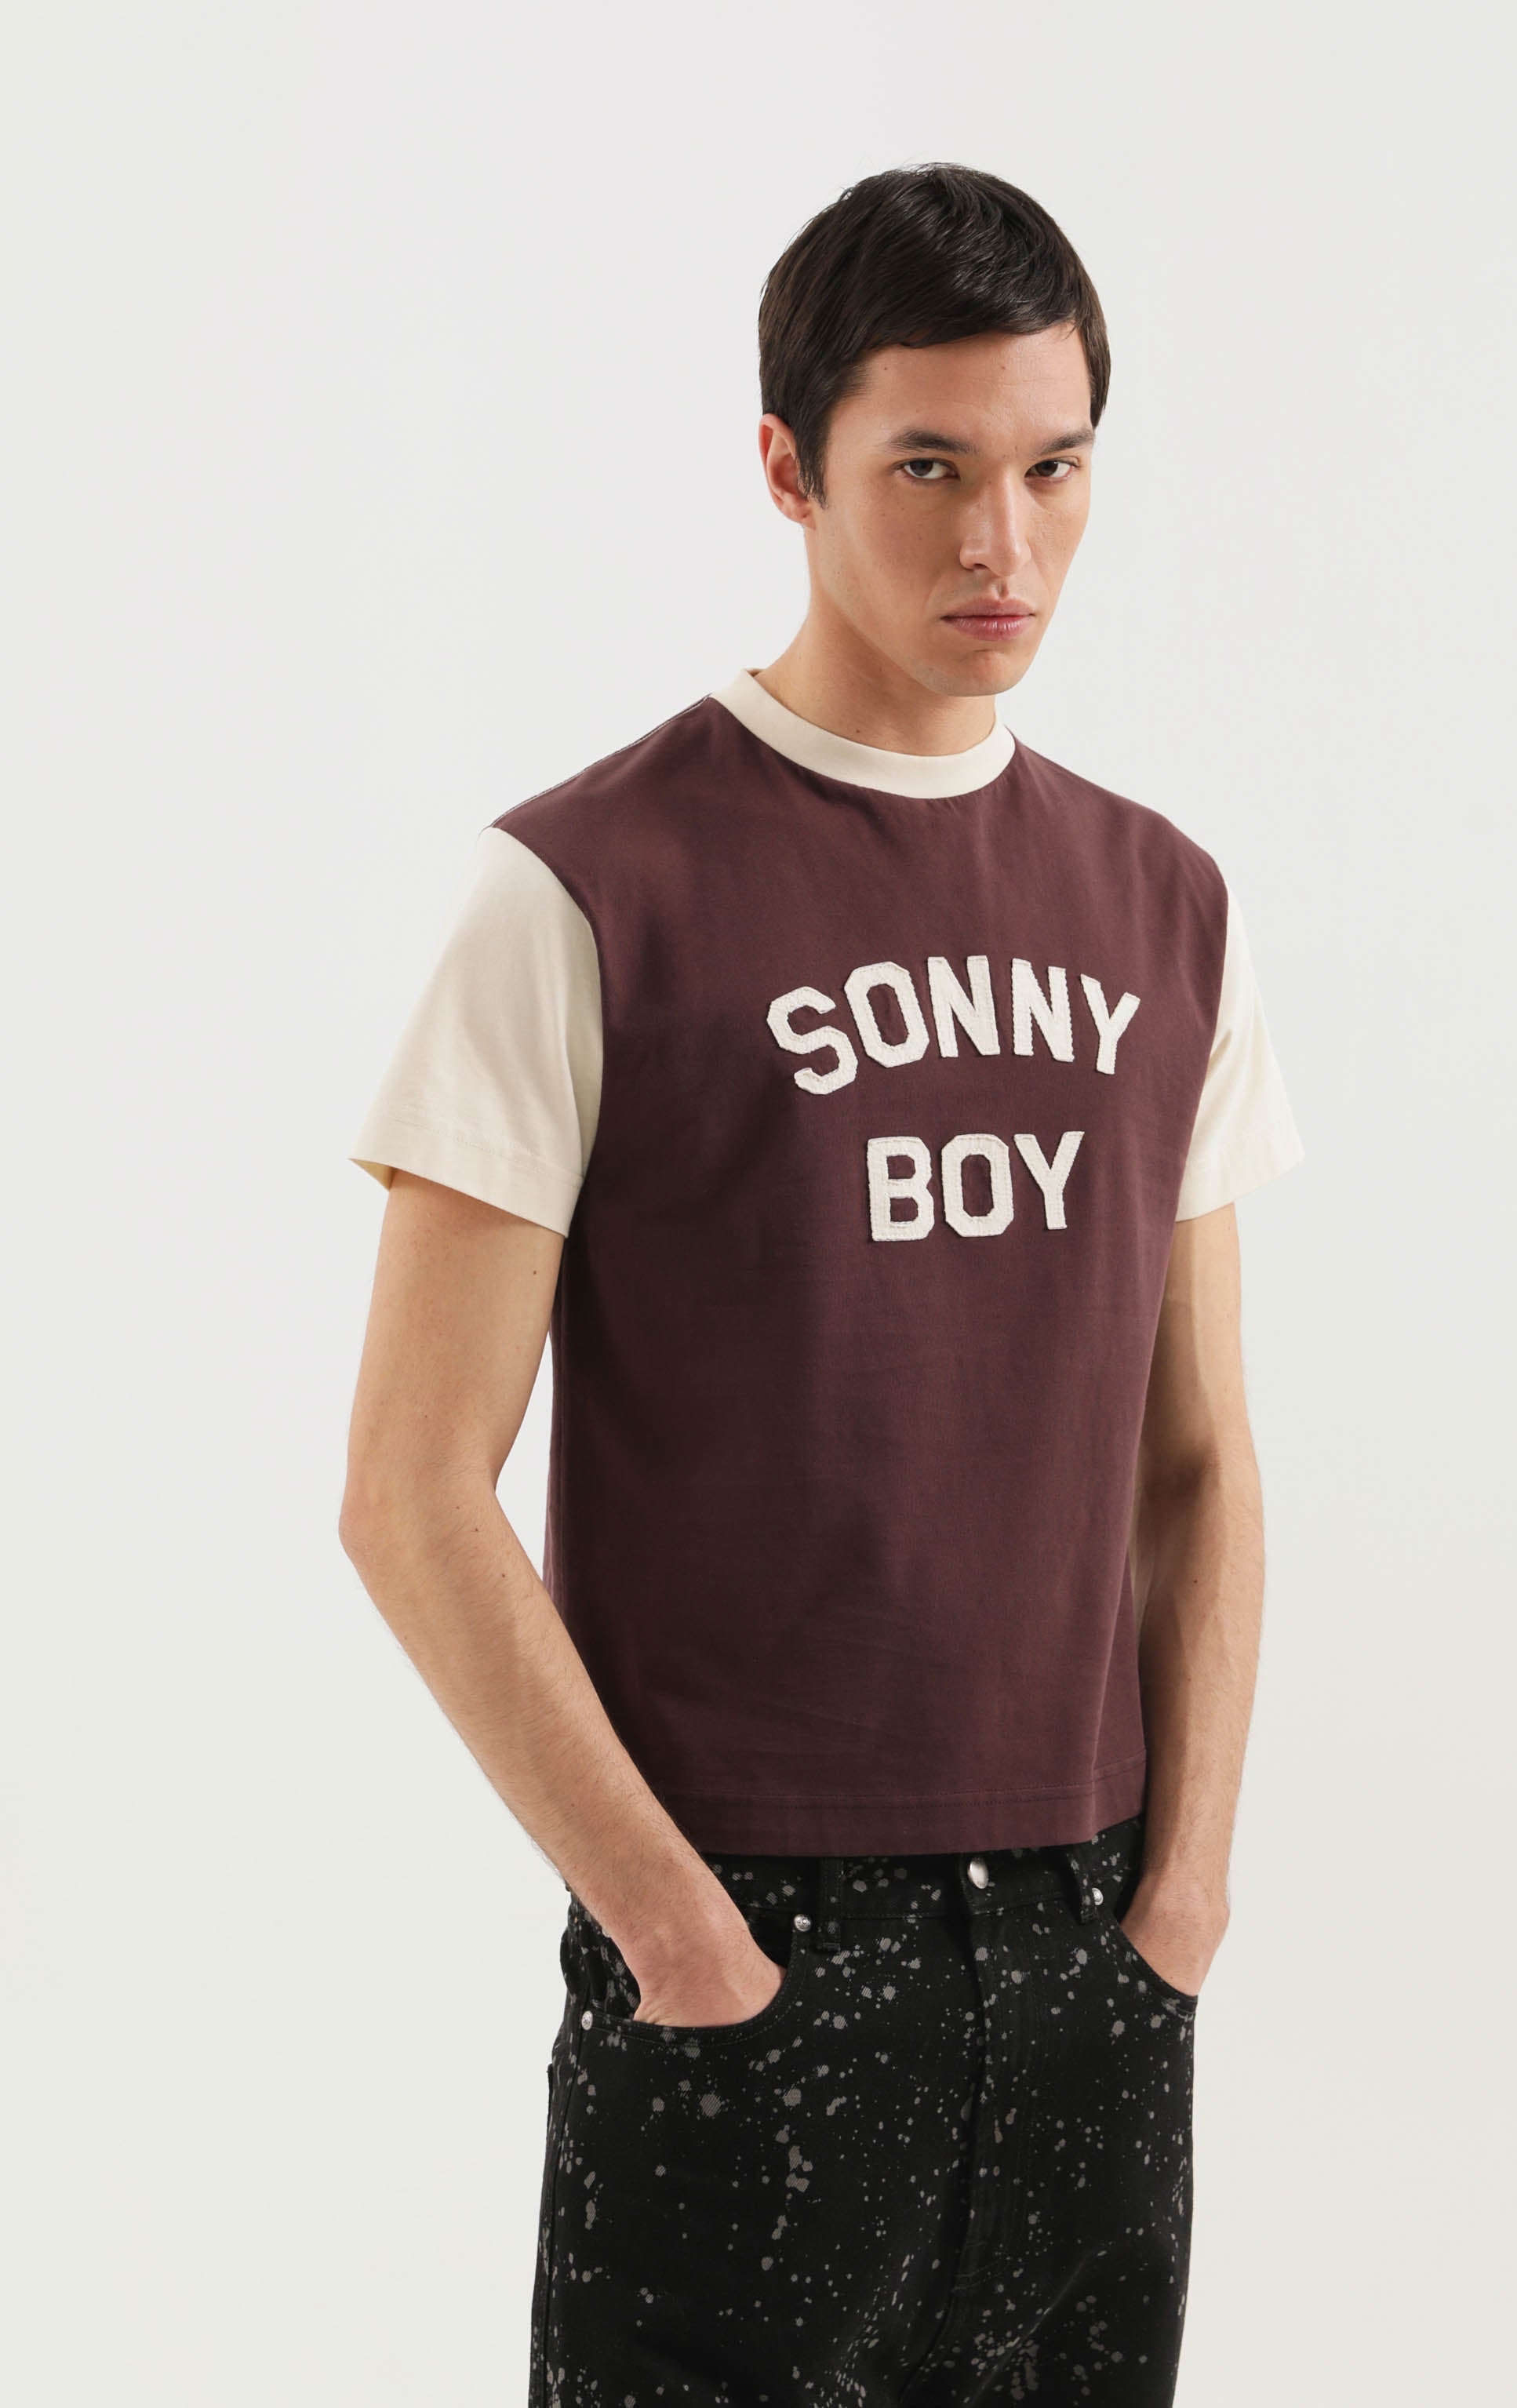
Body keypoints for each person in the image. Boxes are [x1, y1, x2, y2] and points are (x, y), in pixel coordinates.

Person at [340, 161, 1304, 2407]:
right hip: (751, 1938)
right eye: (929, 469)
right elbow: (408, 1490)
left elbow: (1199, 1460)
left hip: (1091, 1946)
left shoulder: (1169, 906)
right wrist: (683, 1940)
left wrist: (1180, 1911)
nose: (1003, 545)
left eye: (1056, 469)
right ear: (788, 466)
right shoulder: (583, 891)